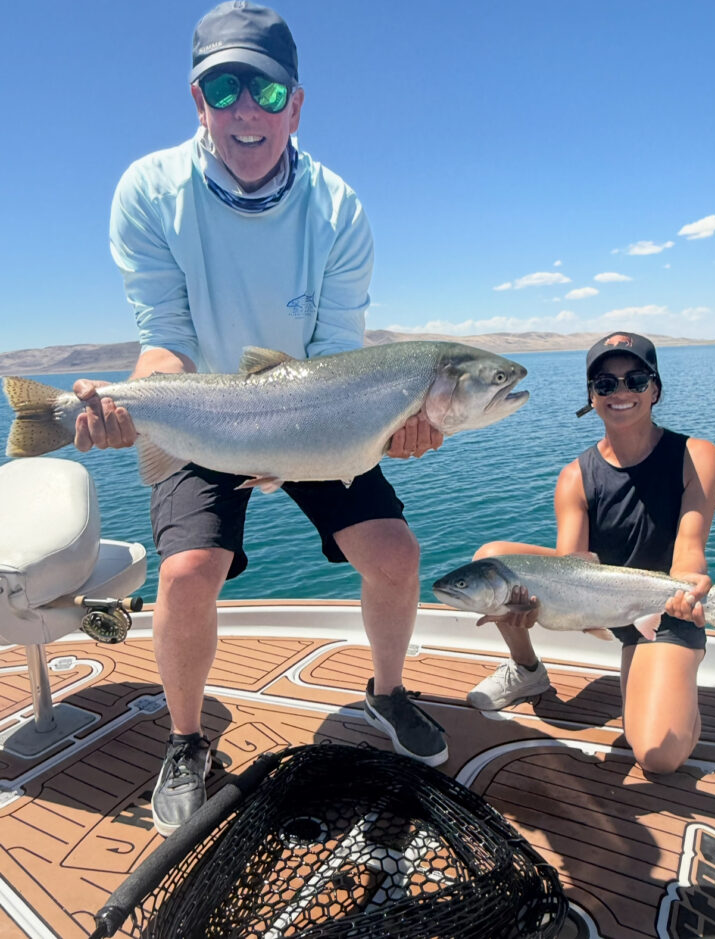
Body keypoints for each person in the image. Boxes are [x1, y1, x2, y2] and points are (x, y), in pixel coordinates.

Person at [73, 1, 447, 837]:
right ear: (198, 101)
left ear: (297, 103)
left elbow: (340, 350)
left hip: (321, 411)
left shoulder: (338, 208)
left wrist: (395, 425)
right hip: (207, 409)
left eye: (267, 91)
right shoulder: (147, 192)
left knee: (394, 554)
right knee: (183, 573)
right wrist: (128, 408)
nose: (248, 109)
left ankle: (386, 692)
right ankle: (185, 740)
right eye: (225, 87)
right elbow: (163, 339)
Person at [467, 331, 715, 775]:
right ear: (592, 395)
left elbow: (688, 550)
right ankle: (527, 669)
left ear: (655, 389)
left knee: (658, 758)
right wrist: (534, 606)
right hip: (598, 598)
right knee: (490, 560)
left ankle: (678, 669)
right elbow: (571, 568)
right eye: (606, 383)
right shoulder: (574, 477)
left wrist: (690, 589)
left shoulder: (695, 456)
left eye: (635, 380)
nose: (621, 392)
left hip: (664, 613)